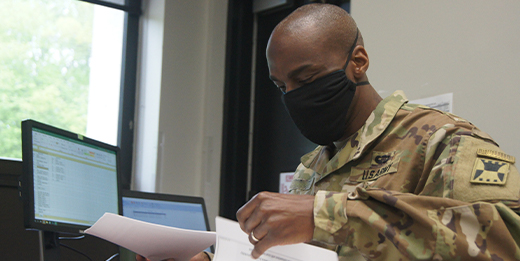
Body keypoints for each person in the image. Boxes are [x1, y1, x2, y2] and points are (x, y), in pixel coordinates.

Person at [139, 3, 520, 261]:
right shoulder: (314, 167)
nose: (294, 96)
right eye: (281, 86)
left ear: (358, 62)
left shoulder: (441, 140)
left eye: (306, 78)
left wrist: (330, 213)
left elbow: (507, 239)